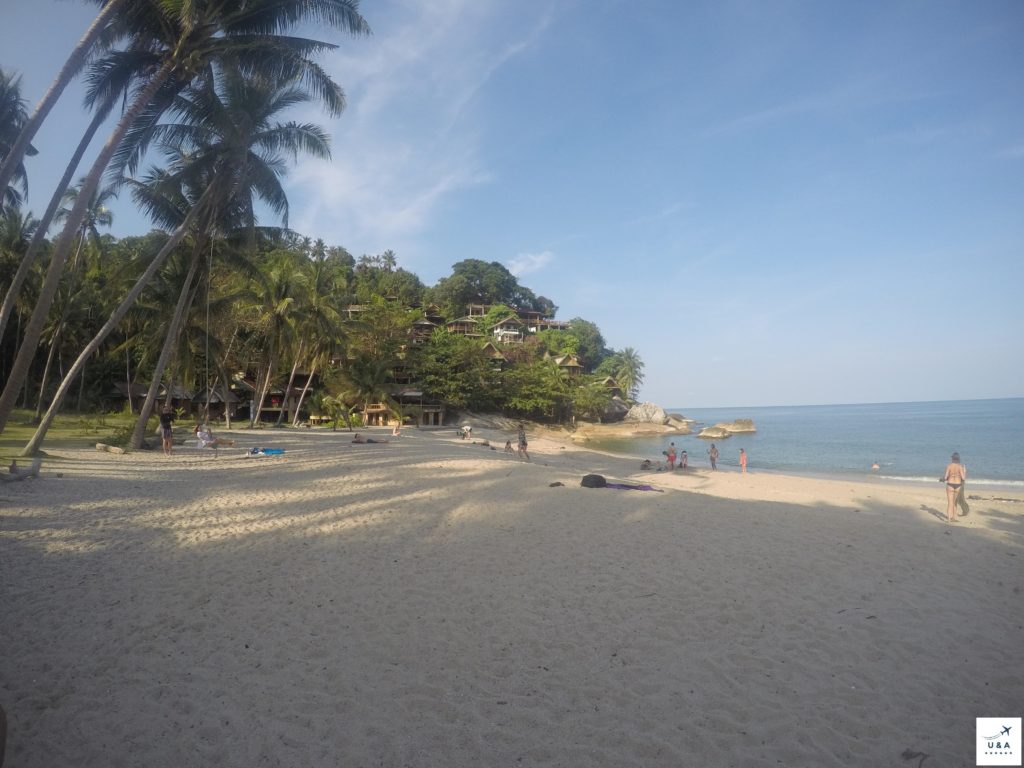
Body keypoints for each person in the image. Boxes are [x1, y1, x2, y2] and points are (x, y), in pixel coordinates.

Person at [942, 452, 966, 523]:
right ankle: (953, 518)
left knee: (950, 503)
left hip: (950, 484)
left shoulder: (949, 466)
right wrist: (965, 471)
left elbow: (945, 477)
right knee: (955, 502)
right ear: (958, 459)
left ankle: (949, 519)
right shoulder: (960, 467)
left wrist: (943, 479)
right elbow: (963, 478)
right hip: (958, 485)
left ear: (952, 458)